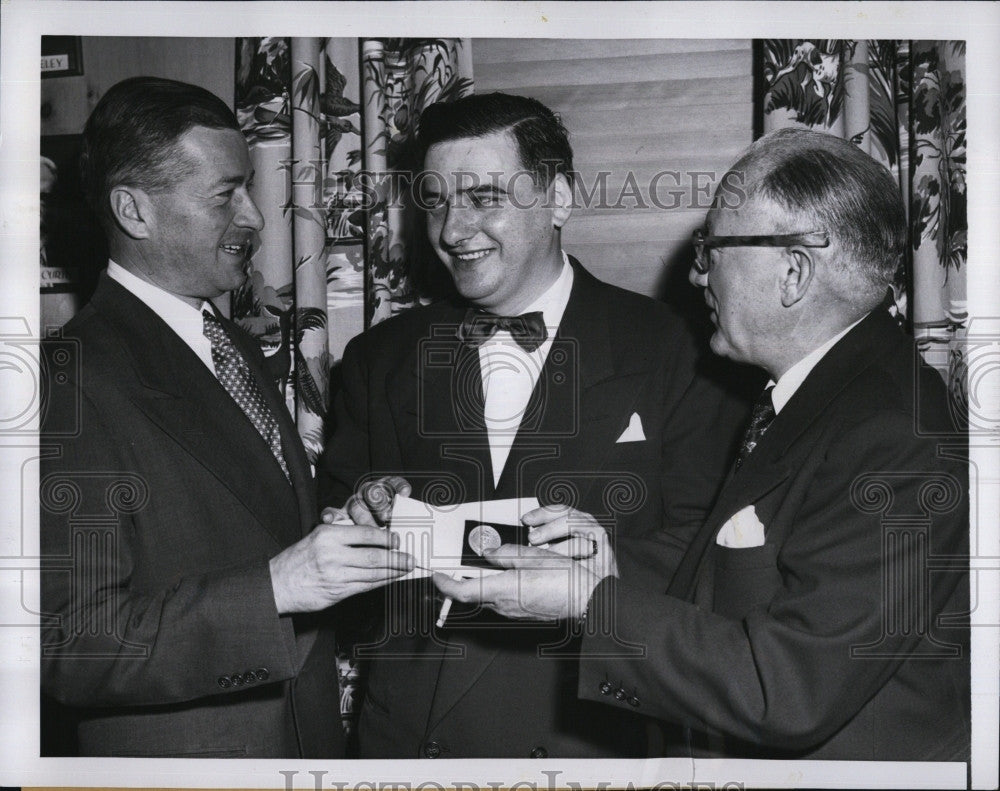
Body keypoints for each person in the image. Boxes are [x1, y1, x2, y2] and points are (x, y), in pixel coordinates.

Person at [437, 127, 970, 761]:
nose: (696, 275)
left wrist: (591, 602)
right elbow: (736, 585)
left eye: (712, 249)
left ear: (793, 272)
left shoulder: (892, 432)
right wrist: (605, 567)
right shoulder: (820, 393)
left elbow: (788, 689)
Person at [317, 92, 751, 758]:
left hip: (587, 736)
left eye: (485, 197)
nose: (454, 231)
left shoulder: (680, 352)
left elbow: (708, 554)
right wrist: (363, 513)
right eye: (435, 201)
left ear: (559, 199)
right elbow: (340, 564)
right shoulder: (378, 359)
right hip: (413, 744)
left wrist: (591, 568)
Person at [39, 76, 414, 758]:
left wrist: (345, 522)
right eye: (226, 194)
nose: (255, 218)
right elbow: (70, 641)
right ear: (134, 210)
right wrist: (276, 588)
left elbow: (255, 527)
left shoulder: (231, 343)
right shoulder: (66, 381)